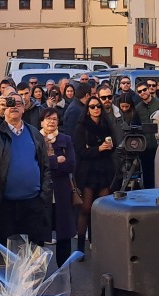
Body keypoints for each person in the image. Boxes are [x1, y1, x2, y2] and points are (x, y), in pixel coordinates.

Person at [0, 91, 52, 249]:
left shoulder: (34, 133)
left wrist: (43, 196)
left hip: (32, 203)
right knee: (4, 253)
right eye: (10, 102)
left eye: (18, 103)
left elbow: (45, 166)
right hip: (4, 205)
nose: (14, 106)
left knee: (32, 253)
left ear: (24, 108)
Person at [72, 93, 115, 254]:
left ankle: (99, 243)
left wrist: (104, 148)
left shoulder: (106, 124)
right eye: (92, 107)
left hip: (104, 169)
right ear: (87, 109)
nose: (96, 109)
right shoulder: (82, 126)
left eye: (98, 106)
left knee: (103, 208)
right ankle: (80, 247)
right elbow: (80, 150)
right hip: (87, 171)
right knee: (86, 208)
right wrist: (98, 149)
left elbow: (113, 145)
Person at [40, 107, 78, 266]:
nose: (51, 122)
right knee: (39, 237)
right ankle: (37, 278)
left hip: (62, 193)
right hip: (41, 194)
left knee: (64, 236)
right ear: (41, 121)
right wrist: (56, 161)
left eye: (54, 119)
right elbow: (37, 165)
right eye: (48, 118)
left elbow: (70, 165)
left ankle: (64, 275)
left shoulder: (65, 139)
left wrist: (49, 164)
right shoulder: (36, 139)